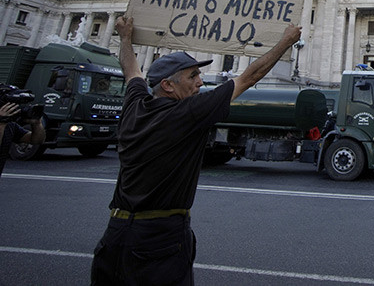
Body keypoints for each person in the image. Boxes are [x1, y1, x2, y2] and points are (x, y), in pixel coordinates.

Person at [91, 16, 301, 285]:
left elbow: (131, 70)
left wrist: (125, 38)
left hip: (116, 232)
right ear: (168, 85)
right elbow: (249, 77)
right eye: (193, 76)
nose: (201, 82)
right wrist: (286, 41)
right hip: (159, 237)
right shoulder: (187, 113)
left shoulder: (135, 105)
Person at [0, 102, 45, 179]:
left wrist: (37, 124)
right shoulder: (3, 124)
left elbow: (37, 140)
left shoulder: (10, 126)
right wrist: (1, 123)